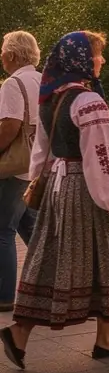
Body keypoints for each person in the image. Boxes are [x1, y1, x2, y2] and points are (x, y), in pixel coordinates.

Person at [1, 32, 109, 371]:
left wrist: (45, 184)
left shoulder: (53, 97)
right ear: (81, 59)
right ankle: (104, 339)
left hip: (59, 186)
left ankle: (21, 332)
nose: (101, 60)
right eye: (97, 54)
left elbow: (41, 152)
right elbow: (101, 159)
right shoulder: (89, 102)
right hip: (88, 190)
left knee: (55, 258)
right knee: (108, 256)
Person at [0, 32, 42, 312]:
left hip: (15, 167)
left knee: (2, 230)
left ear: (12, 55)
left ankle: (4, 296)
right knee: (33, 229)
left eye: (3, 51)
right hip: (36, 165)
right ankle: (56, 287)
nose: (1, 56)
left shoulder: (13, 84)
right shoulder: (42, 80)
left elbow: (10, 126)